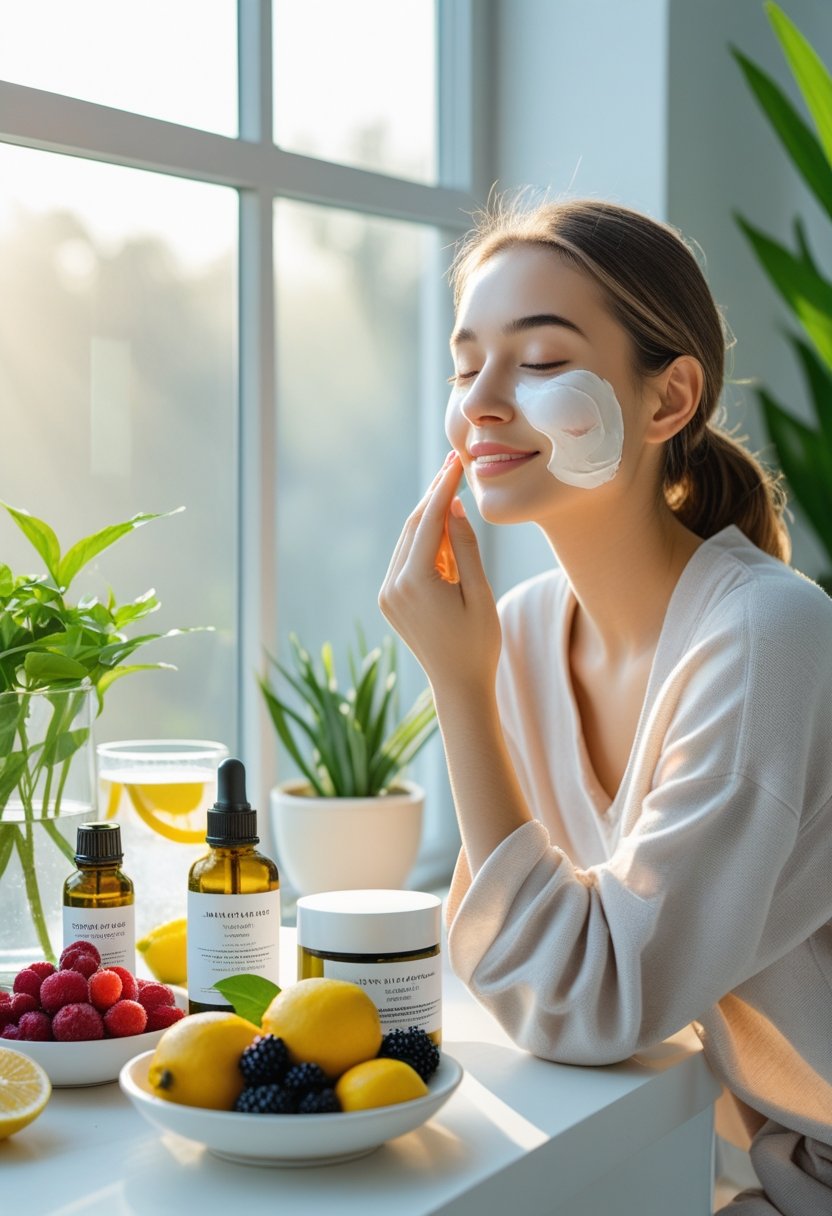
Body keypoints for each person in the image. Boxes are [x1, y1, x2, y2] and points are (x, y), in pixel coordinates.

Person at [379, 196, 832, 1215]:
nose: (481, 404)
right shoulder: (528, 630)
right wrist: (480, 670)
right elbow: (511, 952)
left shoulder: (766, 634)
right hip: (757, 1164)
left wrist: (458, 682)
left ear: (669, 399)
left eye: (539, 363)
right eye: (465, 365)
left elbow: (587, 1000)